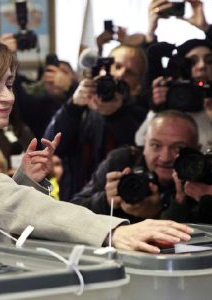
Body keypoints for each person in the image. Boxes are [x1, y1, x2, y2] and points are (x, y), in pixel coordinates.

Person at [0, 36, 193, 254]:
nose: (8, 97)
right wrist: (112, 232)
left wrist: (24, 180)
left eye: (8, 84)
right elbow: (14, 207)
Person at [44, 44, 148, 200]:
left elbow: (139, 151)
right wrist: (73, 106)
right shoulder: (81, 106)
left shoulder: (142, 115)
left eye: (130, 73)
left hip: (119, 203)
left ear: (138, 86)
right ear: (101, 68)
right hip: (76, 201)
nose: (120, 75)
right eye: (117, 66)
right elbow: (52, 145)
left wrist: (115, 115)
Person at [70, 110, 200, 223]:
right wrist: (106, 201)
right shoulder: (122, 161)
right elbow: (72, 210)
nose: (165, 157)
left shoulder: (207, 177)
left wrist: (177, 205)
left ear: (197, 151)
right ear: (144, 146)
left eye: (178, 148)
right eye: (156, 145)